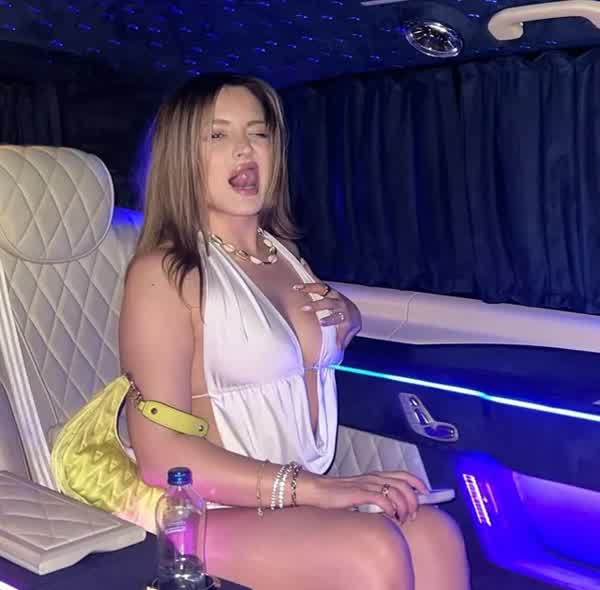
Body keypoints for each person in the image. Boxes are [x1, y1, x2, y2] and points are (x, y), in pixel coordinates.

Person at [120, 72, 470, 590]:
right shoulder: (165, 273)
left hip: (287, 502)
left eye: (258, 133)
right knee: (371, 549)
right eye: (218, 135)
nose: (245, 150)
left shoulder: (283, 256)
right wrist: (316, 490)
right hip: (204, 510)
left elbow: (292, 360)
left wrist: (348, 321)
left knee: (435, 532)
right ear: (181, 156)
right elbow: (161, 456)